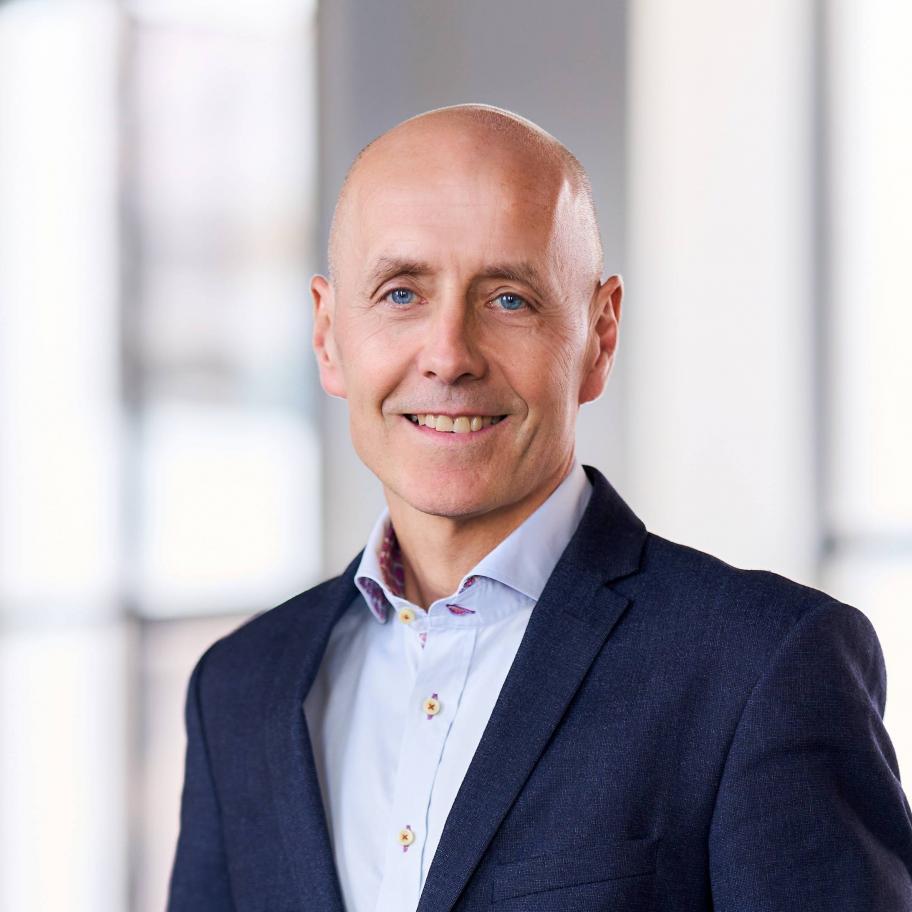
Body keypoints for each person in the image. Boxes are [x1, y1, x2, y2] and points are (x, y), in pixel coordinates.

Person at [167, 104, 912, 912]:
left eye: (509, 299)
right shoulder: (238, 690)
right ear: (327, 335)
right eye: (402, 293)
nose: (448, 355)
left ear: (599, 336)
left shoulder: (762, 666)